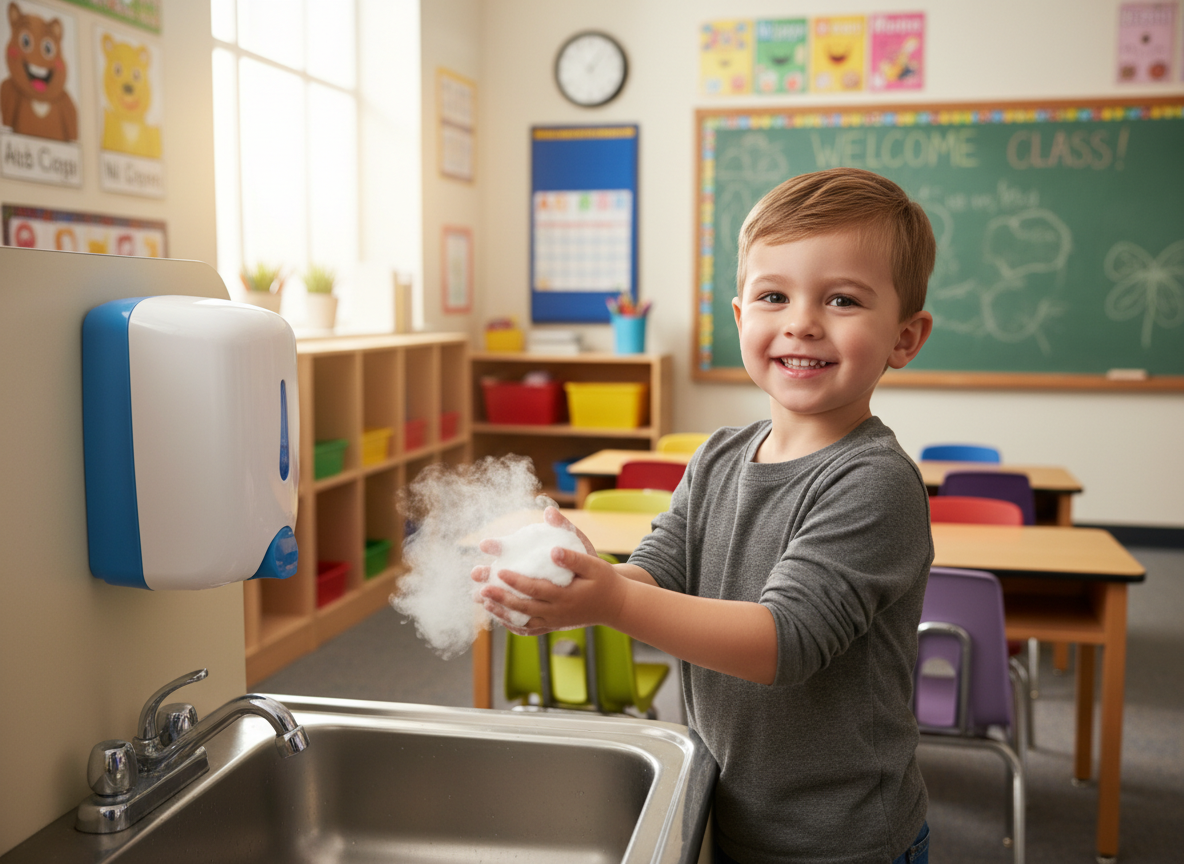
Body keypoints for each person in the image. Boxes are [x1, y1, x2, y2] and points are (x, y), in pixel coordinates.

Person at [475, 167, 936, 864]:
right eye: (774, 295)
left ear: (905, 337)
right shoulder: (718, 457)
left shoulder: (874, 483)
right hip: (733, 809)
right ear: (742, 318)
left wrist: (611, 604)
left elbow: (781, 643)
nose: (801, 321)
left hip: (845, 841)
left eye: (842, 299)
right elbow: (655, 574)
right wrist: (585, 581)